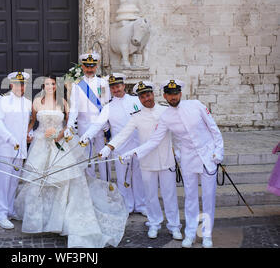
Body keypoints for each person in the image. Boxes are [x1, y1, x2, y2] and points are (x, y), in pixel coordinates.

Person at [14, 76, 128, 248]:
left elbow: (69, 125)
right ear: (43, 86)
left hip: (59, 143)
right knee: (39, 180)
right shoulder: (37, 101)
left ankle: (60, 220)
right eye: (47, 84)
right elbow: (32, 122)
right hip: (40, 143)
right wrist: (27, 133)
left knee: (64, 181)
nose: (50, 86)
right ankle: (40, 219)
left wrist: (57, 136)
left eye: (53, 84)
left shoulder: (64, 103)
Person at [120, 79, 224, 248]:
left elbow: (213, 128)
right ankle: (190, 233)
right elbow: (154, 141)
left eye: (175, 93)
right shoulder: (166, 116)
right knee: (190, 198)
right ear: (165, 96)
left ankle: (205, 234)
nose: (173, 97)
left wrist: (218, 151)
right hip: (187, 159)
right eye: (169, 94)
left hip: (208, 156)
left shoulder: (196, 105)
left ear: (180, 93)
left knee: (208, 198)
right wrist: (133, 152)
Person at [99, 81, 182, 241]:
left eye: (148, 95)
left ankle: (174, 226)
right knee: (150, 195)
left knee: (169, 195)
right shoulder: (136, 117)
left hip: (167, 161)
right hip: (147, 162)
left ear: (153, 95)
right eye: (142, 97)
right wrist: (109, 146)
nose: (146, 99)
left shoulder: (166, 111)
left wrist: (178, 152)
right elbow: (123, 134)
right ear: (139, 99)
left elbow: (178, 133)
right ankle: (154, 223)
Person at [80, 73, 147, 216]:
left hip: (138, 144)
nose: (116, 90)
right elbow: (98, 124)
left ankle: (141, 204)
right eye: (113, 87)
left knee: (138, 176)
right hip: (119, 147)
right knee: (123, 179)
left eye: (118, 86)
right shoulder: (108, 107)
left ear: (123, 86)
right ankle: (127, 205)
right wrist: (86, 136)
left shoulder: (136, 100)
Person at [0, 71, 32, 229]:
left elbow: (24, 126)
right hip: (4, 148)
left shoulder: (27, 103)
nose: (20, 87)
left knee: (14, 181)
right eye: (17, 84)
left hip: (20, 150)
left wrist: (29, 135)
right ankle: (0, 215)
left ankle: (9, 210)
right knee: (3, 182)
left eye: (23, 84)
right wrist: (10, 138)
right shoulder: (2, 100)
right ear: (11, 85)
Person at [66, 52, 111, 179]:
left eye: (92, 66)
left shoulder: (103, 83)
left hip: (101, 126)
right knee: (88, 160)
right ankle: (91, 188)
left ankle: (105, 186)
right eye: (87, 66)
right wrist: (70, 126)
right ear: (82, 67)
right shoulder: (77, 85)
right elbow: (74, 108)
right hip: (84, 126)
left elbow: (107, 104)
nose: (90, 69)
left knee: (103, 157)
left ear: (96, 66)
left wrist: (107, 125)